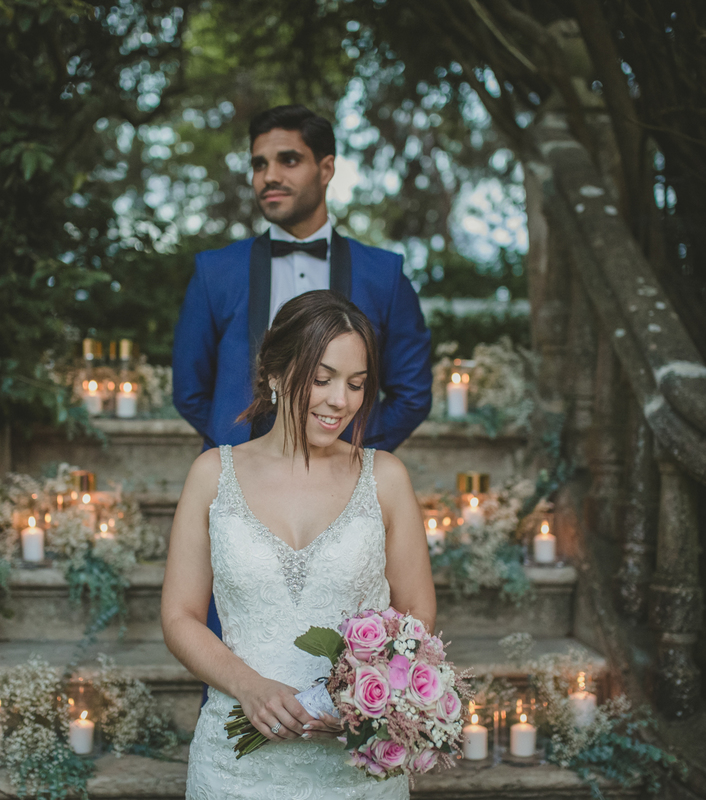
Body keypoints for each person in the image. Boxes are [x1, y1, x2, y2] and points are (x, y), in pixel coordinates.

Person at [162, 291, 436, 799]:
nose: (341, 401)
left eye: (356, 385)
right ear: (273, 372)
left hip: (355, 771)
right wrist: (249, 686)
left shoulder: (386, 478)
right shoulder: (211, 476)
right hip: (235, 770)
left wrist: (359, 703)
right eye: (321, 378)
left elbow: (416, 610)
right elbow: (179, 616)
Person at [172, 104, 432, 453]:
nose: (270, 176)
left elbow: (412, 394)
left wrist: (357, 450)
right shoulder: (214, 271)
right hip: (238, 478)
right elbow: (190, 391)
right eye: (259, 164)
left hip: (346, 482)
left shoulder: (384, 273)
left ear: (326, 169)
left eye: (288, 161)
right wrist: (235, 448)